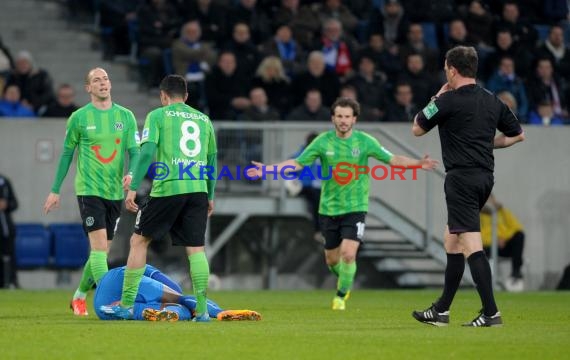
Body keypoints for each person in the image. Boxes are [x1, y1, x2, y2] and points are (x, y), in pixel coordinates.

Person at [247, 97, 438, 310]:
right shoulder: (322, 141)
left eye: (347, 116)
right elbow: (298, 163)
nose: (343, 120)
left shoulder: (365, 142)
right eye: (339, 116)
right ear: (333, 118)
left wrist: (418, 164)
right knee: (331, 261)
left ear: (354, 119)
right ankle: (346, 278)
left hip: (355, 208)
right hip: (328, 209)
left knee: (349, 254)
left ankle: (341, 295)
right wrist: (268, 169)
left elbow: (393, 159)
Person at [411, 46, 525, 327]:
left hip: (461, 179)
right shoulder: (492, 100)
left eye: (445, 68)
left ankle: (491, 313)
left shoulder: (447, 100)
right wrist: (487, 144)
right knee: (452, 240)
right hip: (485, 178)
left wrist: (436, 97)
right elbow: (517, 135)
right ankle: (441, 311)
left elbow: (417, 127)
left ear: (451, 69)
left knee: (471, 244)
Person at [100, 75, 217, 322]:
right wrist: (210, 195)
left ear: (163, 96)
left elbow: (146, 154)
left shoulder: (157, 116)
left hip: (168, 189)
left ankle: (127, 305)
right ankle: (203, 311)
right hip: (197, 189)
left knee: (139, 241)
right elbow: (212, 162)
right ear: (186, 96)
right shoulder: (204, 120)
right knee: (196, 250)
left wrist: (132, 186)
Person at [43, 67, 140, 316]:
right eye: (96, 80)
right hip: (89, 190)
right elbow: (66, 154)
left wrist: (134, 177)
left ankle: (78, 297)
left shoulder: (126, 116)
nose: (102, 82)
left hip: (114, 192)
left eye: (105, 78)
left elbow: (136, 152)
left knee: (102, 251)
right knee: (98, 251)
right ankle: (109, 304)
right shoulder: (78, 117)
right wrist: (55, 190)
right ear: (88, 88)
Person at [95, 265, 261, 321]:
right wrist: (174, 291)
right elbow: (170, 286)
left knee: (143, 310)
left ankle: (166, 313)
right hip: (122, 280)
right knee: (180, 298)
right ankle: (219, 312)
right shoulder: (144, 269)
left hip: (102, 309)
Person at [480, 194, 525, 292]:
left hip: (503, 245)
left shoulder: (502, 212)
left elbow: (517, 227)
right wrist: (495, 240)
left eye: (491, 199)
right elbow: (477, 235)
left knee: (520, 236)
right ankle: (486, 280)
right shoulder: (477, 214)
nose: (489, 202)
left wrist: (503, 238)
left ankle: (515, 273)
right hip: (487, 247)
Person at [0, 173, 18, 288]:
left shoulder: (4, 181)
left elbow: (15, 204)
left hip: (5, 229)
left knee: (8, 256)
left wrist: (6, 205)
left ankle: (10, 283)